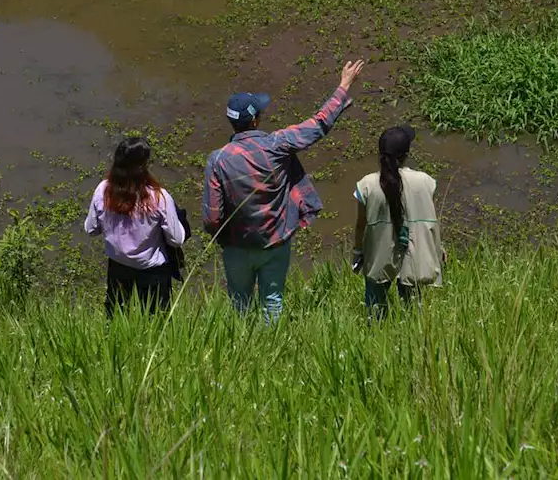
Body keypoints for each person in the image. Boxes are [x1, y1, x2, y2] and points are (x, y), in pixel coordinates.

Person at [204, 60, 366, 322]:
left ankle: (243, 354)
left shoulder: (217, 160)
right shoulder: (276, 145)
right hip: (276, 242)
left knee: (239, 305)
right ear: (255, 120)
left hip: (236, 248)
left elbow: (212, 218)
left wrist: (225, 239)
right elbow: (317, 125)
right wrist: (344, 85)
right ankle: (271, 350)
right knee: (272, 300)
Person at [84, 136, 188, 316]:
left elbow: (91, 229)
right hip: (152, 271)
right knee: (157, 322)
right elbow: (176, 239)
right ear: (143, 165)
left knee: (115, 318)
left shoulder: (103, 190)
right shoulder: (159, 197)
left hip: (118, 267)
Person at [351, 124, 444, 318]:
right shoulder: (425, 181)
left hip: (378, 254)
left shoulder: (367, 185)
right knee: (413, 310)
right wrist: (439, 249)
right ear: (406, 154)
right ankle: (412, 338)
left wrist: (358, 253)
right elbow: (431, 221)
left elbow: (361, 225)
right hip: (415, 254)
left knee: (375, 308)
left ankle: (375, 336)